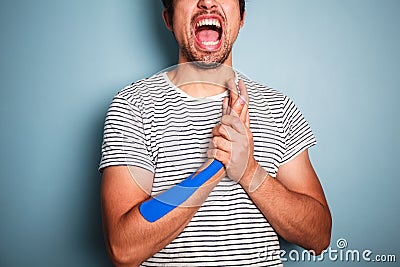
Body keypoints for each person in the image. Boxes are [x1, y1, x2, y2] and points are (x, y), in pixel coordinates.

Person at [99, 0, 332, 266]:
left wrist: (249, 171)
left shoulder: (278, 108)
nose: (207, 2)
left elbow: (319, 237)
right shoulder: (133, 106)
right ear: (169, 18)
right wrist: (215, 167)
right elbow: (123, 249)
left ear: (241, 16)